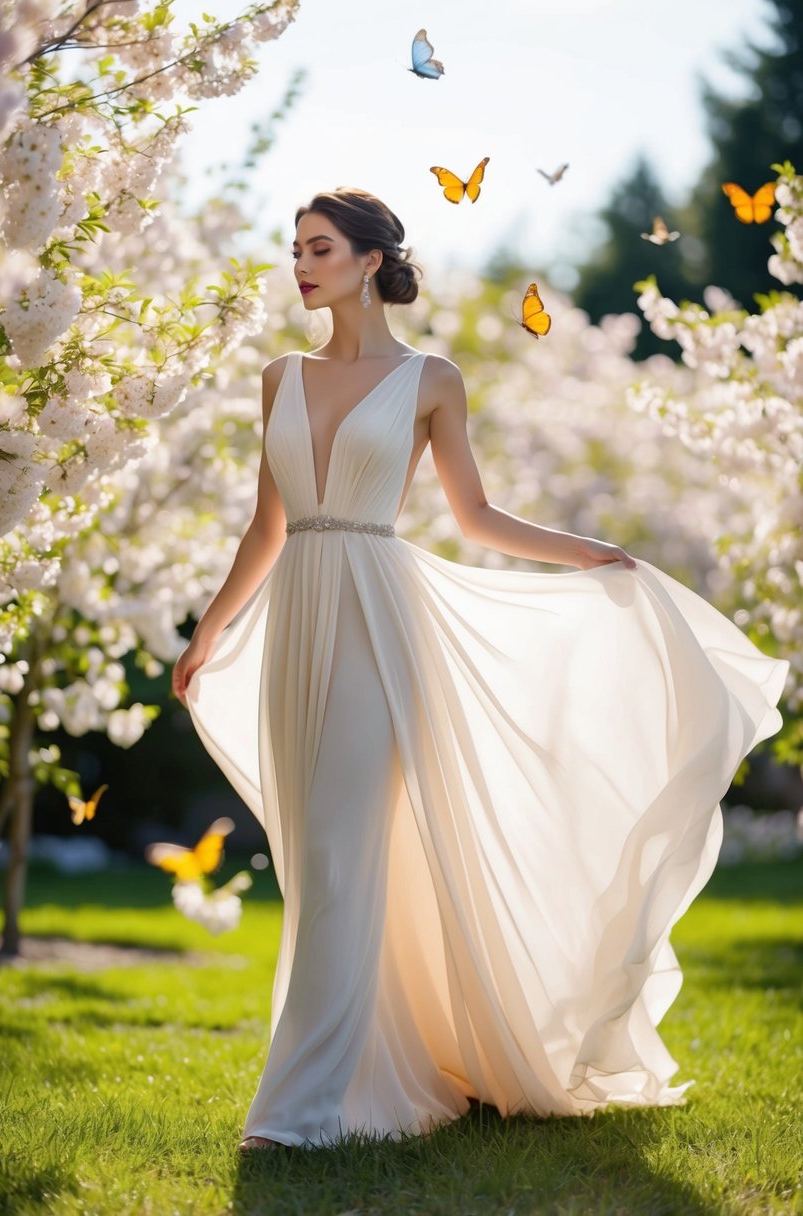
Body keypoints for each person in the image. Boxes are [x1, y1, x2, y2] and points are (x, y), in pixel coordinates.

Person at [172, 187, 788, 1153]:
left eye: (320, 248)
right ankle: (379, 1069)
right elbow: (268, 524)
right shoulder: (276, 376)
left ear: (371, 261)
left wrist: (583, 551)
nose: (301, 264)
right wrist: (210, 631)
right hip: (298, 616)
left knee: (340, 849)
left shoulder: (430, 378)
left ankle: (299, 1110)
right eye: (295, 248)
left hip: (381, 618)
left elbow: (475, 519)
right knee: (319, 857)